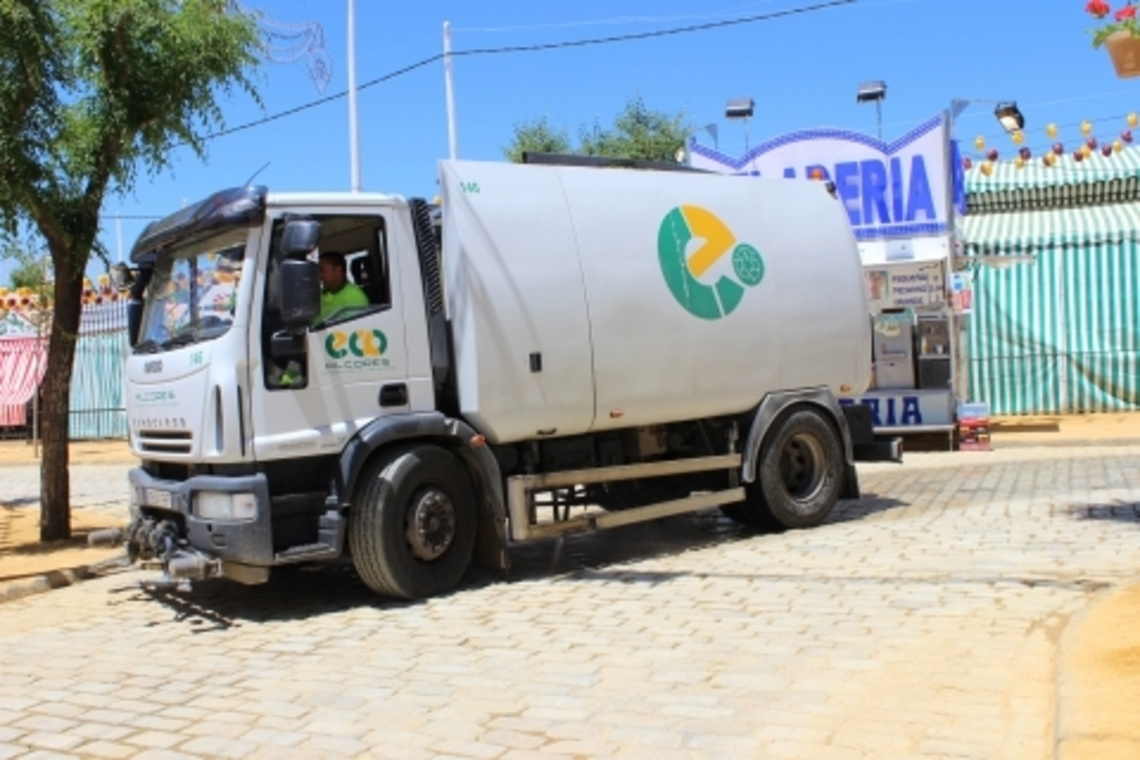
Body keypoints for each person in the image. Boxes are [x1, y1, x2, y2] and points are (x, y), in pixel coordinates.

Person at [318, 251, 369, 321]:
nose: (319, 276)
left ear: (338, 271)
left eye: (322, 270)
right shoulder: (320, 295)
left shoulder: (354, 297)